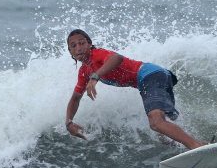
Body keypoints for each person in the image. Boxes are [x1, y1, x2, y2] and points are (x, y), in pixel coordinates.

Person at [64, 29, 204, 150]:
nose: (78, 48)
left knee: (156, 122)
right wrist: (69, 122)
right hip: (152, 79)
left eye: (82, 43)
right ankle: (201, 146)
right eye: (73, 46)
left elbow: (116, 58)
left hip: (150, 75)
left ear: (89, 44)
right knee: (163, 133)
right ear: (70, 52)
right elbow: (75, 98)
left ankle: (196, 147)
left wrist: (95, 77)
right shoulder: (84, 72)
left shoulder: (97, 54)